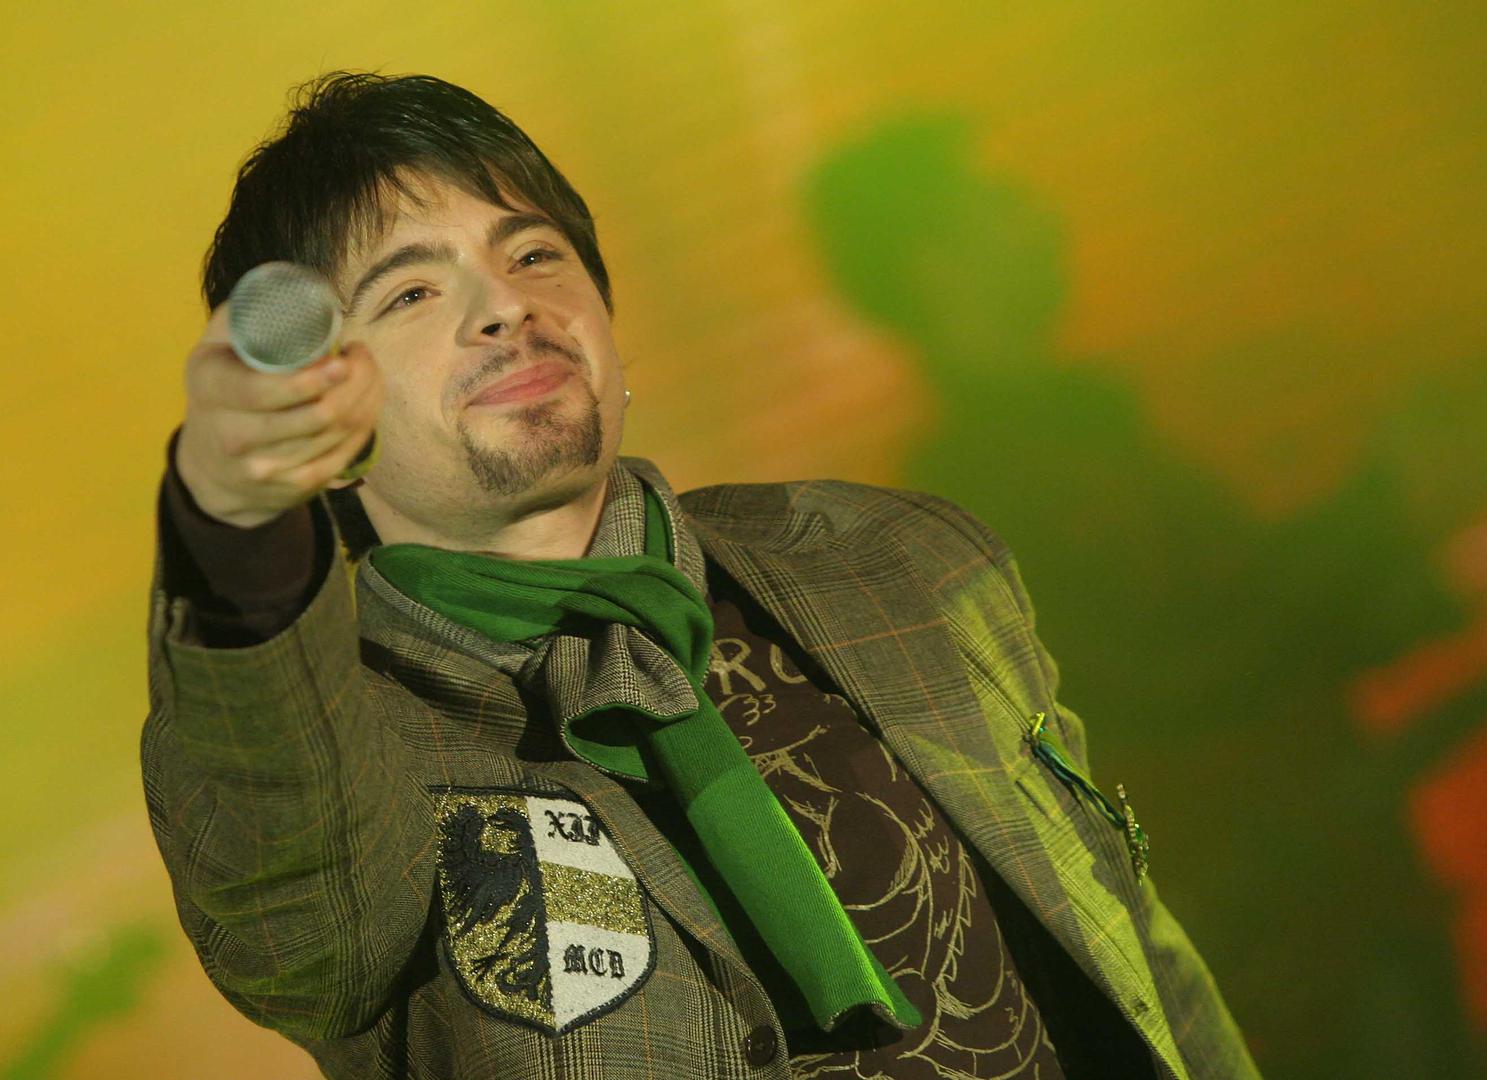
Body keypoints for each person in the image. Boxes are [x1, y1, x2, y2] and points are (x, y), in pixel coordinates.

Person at [144, 71, 1260, 1080]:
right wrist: (234, 524)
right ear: (324, 417)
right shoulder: (344, 749)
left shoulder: (893, 557)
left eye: (533, 255)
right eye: (410, 295)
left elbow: (1139, 962)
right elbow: (288, 886)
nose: (506, 307)